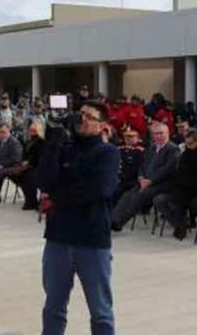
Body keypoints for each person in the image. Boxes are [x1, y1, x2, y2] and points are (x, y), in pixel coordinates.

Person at [38, 102, 120, 335]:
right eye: (80, 114)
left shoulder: (108, 153)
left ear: (102, 126)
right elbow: (44, 181)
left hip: (92, 241)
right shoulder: (64, 148)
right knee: (54, 307)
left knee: (100, 311)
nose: (81, 119)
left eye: (89, 116)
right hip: (58, 239)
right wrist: (52, 142)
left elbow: (99, 189)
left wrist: (56, 198)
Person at [111, 122, 180, 230]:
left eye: (161, 133)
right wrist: (141, 177)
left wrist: (150, 181)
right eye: (155, 134)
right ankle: (112, 219)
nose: (158, 136)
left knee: (138, 196)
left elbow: (166, 169)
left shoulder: (172, 149)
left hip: (163, 183)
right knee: (127, 195)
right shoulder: (151, 147)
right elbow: (143, 165)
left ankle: (119, 222)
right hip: (145, 181)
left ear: (167, 133)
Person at [153, 130, 197, 240]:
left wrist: (185, 183)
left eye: (190, 144)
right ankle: (179, 225)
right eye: (186, 144)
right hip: (182, 187)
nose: (188, 146)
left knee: (188, 202)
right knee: (159, 200)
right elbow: (179, 172)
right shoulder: (185, 154)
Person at [16, 122, 45, 210]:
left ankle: (33, 202)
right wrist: (24, 162)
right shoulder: (28, 142)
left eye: (34, 130)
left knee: (29, 176)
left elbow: (40, 156)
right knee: (17, 174)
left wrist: (29, 162)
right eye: (31, 130)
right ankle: (30, 199)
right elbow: (24, 155)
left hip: (37, 166)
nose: (32, 132)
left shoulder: (42, 142)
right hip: (27, 166)